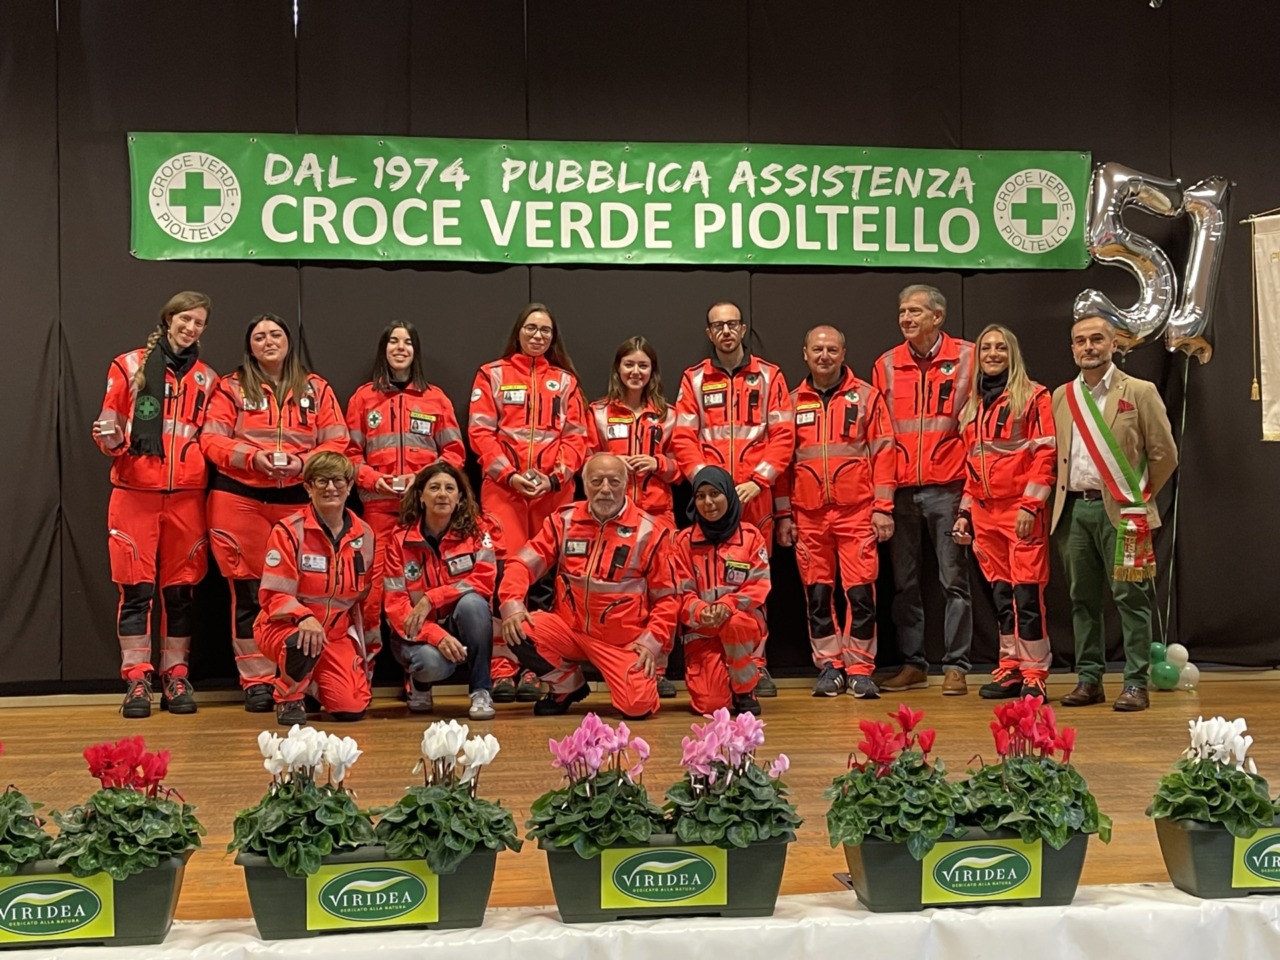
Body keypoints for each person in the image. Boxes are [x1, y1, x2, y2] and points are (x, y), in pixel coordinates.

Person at [200, 314, 349, 712]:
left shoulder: (316, 388)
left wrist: (304, 464)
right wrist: (254, 458)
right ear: (249, 346)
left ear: (288, 341)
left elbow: (338, 440)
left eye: (276, 334)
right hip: (240, 499)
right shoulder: (229, 387)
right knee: (248, 591)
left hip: (299, 500)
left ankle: (294, 676)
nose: (269, 341)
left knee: (302, 593)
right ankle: (257, 679)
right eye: (260, 336)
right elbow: (210, 439)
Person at [93, 291, 218, 718]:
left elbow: (210, 436)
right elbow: (108, 423)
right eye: (185, 318)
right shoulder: (128, 365)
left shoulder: (208, 379)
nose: (191, 327)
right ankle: (136, 680)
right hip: (135, 494)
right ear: (168, 319)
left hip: (187, 497)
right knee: (136, 592)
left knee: (180, 594)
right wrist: (109, 439)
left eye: (199, 322)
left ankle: (176, 675)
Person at [1051, 315, 1178, 712]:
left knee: (1130, 597)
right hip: (1073, 511)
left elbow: (1165, 455)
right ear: (1072, 348)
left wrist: (1137, 497)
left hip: (1124, 513)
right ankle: (1089, 679)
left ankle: (1136, 682)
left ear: (1113, 344)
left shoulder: (1139, 391)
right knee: (1081, 599)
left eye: (1096, 339)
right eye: (1080, 341)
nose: (1088, 347)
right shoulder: (1061, 397)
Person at [468, 303, 590, 704]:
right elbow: (480, 433)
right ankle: (503, 669)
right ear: (518, 331)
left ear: (554, 338)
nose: (538, 336)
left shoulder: (566, 383)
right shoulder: (492, 374)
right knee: (504, 577)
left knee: (544, 583)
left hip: (551, 494)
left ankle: (537, 669)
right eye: (531, 329)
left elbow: (577, 438)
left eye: (545, 331)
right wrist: (511, 475)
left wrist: (554, 476)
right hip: (504, 493)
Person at [672, 301, 794, 696]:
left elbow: (783, 437)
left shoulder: (770, 377)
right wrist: (705, 483)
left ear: (743, 329)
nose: (726, 331)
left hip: (753, 495)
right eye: (718, 326)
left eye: (732, 324)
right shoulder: (692, 379)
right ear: (709, 334)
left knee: (752, 583)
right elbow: (683, 438)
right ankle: (713, 657)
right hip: (710, 499)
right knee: (707, 578)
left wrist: (759, 481)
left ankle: (756, 664)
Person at [498, 454, 678, 719]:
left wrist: (650, 643)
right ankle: (567, 685)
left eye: (614, 482)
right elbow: (522, 564)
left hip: (622, 644)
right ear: (585, 485)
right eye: (596, 481)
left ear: (627, 485)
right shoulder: (564, 521)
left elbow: (669, 599)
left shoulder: (651, 531)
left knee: (638, 706)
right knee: (518, 628)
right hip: (569, 630)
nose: (605, 489)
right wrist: (511, 603)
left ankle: (627, 682)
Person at [775, 326, 895, 699]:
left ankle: (859, 668)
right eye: (817, 349)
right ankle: (830, 665)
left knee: (860, 594)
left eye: (831, 349)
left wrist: (883, 509)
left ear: (843, 353)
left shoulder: (866, 397)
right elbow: (782, 463)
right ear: (805, 354)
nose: (824, 356)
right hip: (808, 516)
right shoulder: (790, 402)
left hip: (857, 513)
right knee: (816, 594)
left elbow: (885, 452)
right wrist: (783, 515)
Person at [872, 285, 975, 696]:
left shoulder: (968, 357)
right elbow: (878, 433)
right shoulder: (885, 364)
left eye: (915, 311)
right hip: (899, 493)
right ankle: (914, 664)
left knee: (955, 582)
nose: (906, 318)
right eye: (902, 311)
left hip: (948, 489)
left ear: (938, 316)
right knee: (904, 583)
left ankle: (957, 666)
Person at [345, 321, 466, 671]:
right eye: (394, 341)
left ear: (416, 351)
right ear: (383, 349)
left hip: (423, 514)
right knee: (371, 594)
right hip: (378, 510)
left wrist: (423, 479)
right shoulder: (363, 398)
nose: (401, 348)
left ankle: (416, 670)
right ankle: (361, 670)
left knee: (418, 591)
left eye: (408, 342)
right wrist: (373, 479)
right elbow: (349, 453)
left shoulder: (435, 398)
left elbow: (455, 453)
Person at [950, 325, 1056, 701]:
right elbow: (971, 466)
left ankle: (1034, 673)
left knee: (1027, 596)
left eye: (1000, 348)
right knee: (1000, 594)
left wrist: (1031, 505)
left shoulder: (1033, 396)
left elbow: (1045, 455)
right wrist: (964, 514)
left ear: (1013, 354)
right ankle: (1010, 667)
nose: (992, 354)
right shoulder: (973, 404)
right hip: (983, 513)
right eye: (986, 348)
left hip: (1020, 512)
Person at [588, 336, 680, 698]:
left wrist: (658, 463)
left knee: (663, 593)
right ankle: (620, 665)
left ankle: (657, 667)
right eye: (629, 364)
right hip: (612, 518)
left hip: (659, 515)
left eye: (643, 365)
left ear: (652, 371)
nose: (636, 372)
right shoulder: (597, 412)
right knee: (620, 593)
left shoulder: (669, 415)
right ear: (617, 369)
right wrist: (610, 467)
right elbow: (584, 461)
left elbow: (685, 466)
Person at [255, 452, 374, 726]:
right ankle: (289, 696)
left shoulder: (365, 535)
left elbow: (363, 598)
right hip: (285, 626)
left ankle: (311, 683)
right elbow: (274, 593)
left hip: (334, 633)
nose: (330, 488)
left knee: (351, 708)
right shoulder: (288, 531)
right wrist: (303, 616)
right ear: (308, 487)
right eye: (321, 481)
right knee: (302, 643)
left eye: (338, 481)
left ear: (350, 486)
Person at [382, 461, 499, 721]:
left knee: (474, 605)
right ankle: (420, 685)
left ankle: (481, 690)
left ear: (459, 498)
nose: (442, 494)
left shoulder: (477, 532)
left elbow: (484, 579)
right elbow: (396, 606)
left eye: (449, 488)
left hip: (460, 623)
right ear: (421, 496)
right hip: (416, 634)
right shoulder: (399, 541)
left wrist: (431, 598)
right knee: (431, 664)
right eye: (434, 488)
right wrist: (437, 636)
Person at [671, 467, 770, 716]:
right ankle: (719, 680)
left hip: (740, 621)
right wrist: (701, 611)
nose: (708, 502)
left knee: (734, 623)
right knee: (711, 706)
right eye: (701, 496)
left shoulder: (750, 537)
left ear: (729, 495)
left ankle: (744, 688)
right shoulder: (684, 541)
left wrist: (727, 605)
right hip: (701, 630)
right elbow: (679, 592)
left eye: (715, 494)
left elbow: (759, 584)